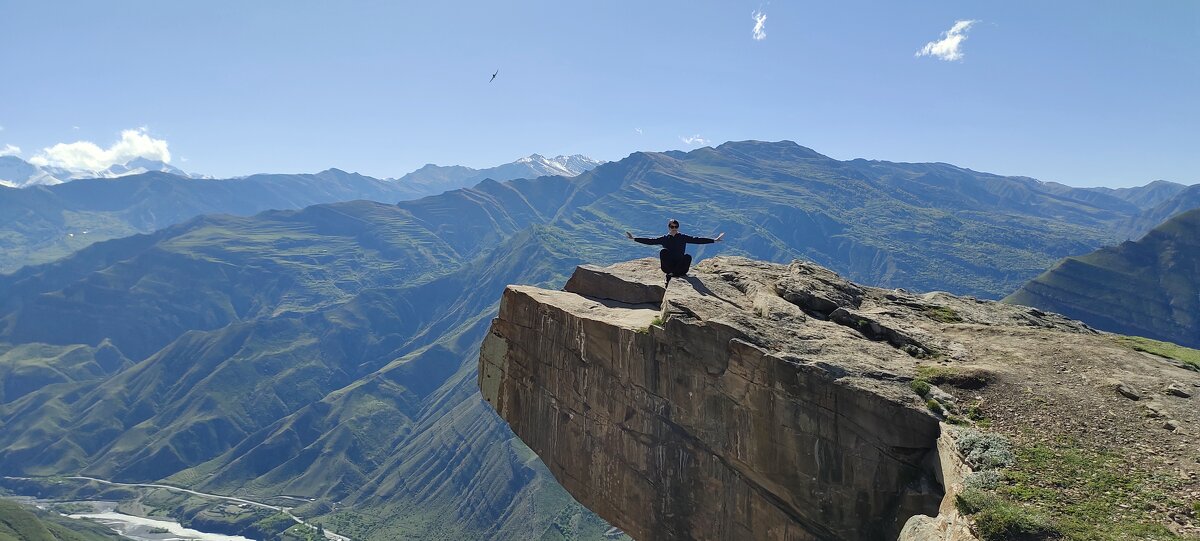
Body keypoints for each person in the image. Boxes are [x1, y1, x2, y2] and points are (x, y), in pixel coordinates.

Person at [625, 219, 724, 284]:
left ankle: (672, 275)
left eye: (676, 227)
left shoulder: (682, 237)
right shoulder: (664, 238)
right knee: (663, 251)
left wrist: (714, 240)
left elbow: (697, 240)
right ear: (669, 227)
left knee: (688, 256)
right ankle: (672, 273)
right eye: (672, 227)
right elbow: (650, 241)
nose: (674, 229)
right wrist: (634, 238)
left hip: (681, 267)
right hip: (668, 267)